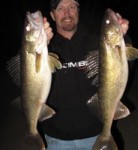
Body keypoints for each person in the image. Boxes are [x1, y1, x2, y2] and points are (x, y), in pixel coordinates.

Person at [40, 0, 130, 149]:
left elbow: (124, 68)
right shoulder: (45, 47)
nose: (67, 13)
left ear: (78, 11)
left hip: (96, 133)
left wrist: (123, 37)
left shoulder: (97, 41)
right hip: (57, 138)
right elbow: (24, 79)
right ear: (52, 15)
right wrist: (36, 46)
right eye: (60, 8)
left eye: (72, 7)